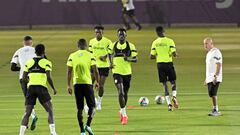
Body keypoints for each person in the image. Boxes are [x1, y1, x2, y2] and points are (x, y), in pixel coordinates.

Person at [19, 44, 57, 135]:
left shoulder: (29, 62)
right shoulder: (47, 62)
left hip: (31, 88)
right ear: (44, 52)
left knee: (27, 112)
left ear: (35, 52)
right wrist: (53, 88)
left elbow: (24, 78)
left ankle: (21, 133)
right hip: (41, 88)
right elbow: (48, 77)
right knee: (50, 110)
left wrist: (30, 81)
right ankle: (53, 132)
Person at [67, 39, 100, 135]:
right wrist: (97, 82)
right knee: (92, 106)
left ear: (78, 45)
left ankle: (82, 131)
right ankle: (88, 125)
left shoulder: (72, 56)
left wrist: (68, 85)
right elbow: (95, 70)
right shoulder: (90, 55)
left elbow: (69, 71)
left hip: (77, 84)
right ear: (86, 45)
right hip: (87, 83)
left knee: (80, 108)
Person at [108, 28, 138, 125]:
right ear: (117, 35)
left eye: (123, 34)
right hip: (116, 72)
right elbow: (109, 54)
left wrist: (128, 59)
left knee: (125, 93)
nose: (121, 36)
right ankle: (124, 115)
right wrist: (110, 63)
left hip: (127, 73)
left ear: (126, 36)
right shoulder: (113, 45)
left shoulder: (131, 46)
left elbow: (136, 59)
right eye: (119, 34)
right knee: (120, 91)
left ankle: (121, 110)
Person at [10, 36, 38, 130]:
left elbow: (13, 68)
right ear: (31, 43)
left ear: (23, 43)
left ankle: (33, 115)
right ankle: (33, 115)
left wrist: (22, 69)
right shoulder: (35, 50)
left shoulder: (18, 51)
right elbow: (44, 60)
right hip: (35, 77)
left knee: (27, 98)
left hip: (23, 77)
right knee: (37, 98)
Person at [150, 26, 179, 111]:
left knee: (165, 84)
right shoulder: (170, 41)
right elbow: (173, 53)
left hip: (160, 64)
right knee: (173, 82)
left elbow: (151, 56)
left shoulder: (155, 42)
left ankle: (169, 105)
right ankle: (174, 97)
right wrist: (174, 54)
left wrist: (158, 54)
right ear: (164, 31)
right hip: (169, 64)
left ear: (157, 33)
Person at [89, 25, 112, 110]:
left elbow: (111, 52)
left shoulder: (108, 42)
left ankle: (99, 102)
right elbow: (90, 53)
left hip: (104, 66)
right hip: (94, 66)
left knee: (101, 85)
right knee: (89, 84)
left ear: (102, 32)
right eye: (96, 32)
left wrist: (105, 57)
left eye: (99, 32)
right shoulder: (91, 42)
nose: (97, 34)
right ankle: (91, 101)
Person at [203, 37, 222, 116]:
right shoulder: (209, 53)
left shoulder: (216, 52)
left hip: (215, 76)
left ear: (211, 43)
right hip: (209, 77)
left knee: (213, 93)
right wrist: (206, 79)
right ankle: (214, 109)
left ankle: (216, 110)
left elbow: (218, 64)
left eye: (206, 43)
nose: (205, 45)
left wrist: (215, 76)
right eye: (204, 44)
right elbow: (209, 67)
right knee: (211, 93)